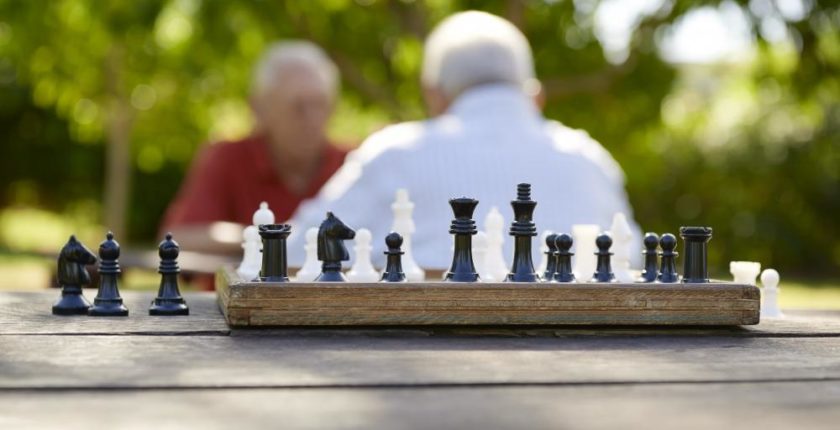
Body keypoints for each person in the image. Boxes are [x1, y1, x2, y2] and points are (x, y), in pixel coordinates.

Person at [288, 11, 641, 269]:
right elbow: (635, 259)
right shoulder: (591, 160)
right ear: (536, 96)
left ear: (433, 95)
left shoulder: (393, 154)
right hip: (585, 364)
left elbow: (292, 252)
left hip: (418, 360)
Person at [161, 41, 348, 255]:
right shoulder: (227, 158)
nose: (312, 119)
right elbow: (177, 237)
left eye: (321, 104)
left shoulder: (352, 163)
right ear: (259, 108)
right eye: (298, 106)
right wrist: (272, 239)